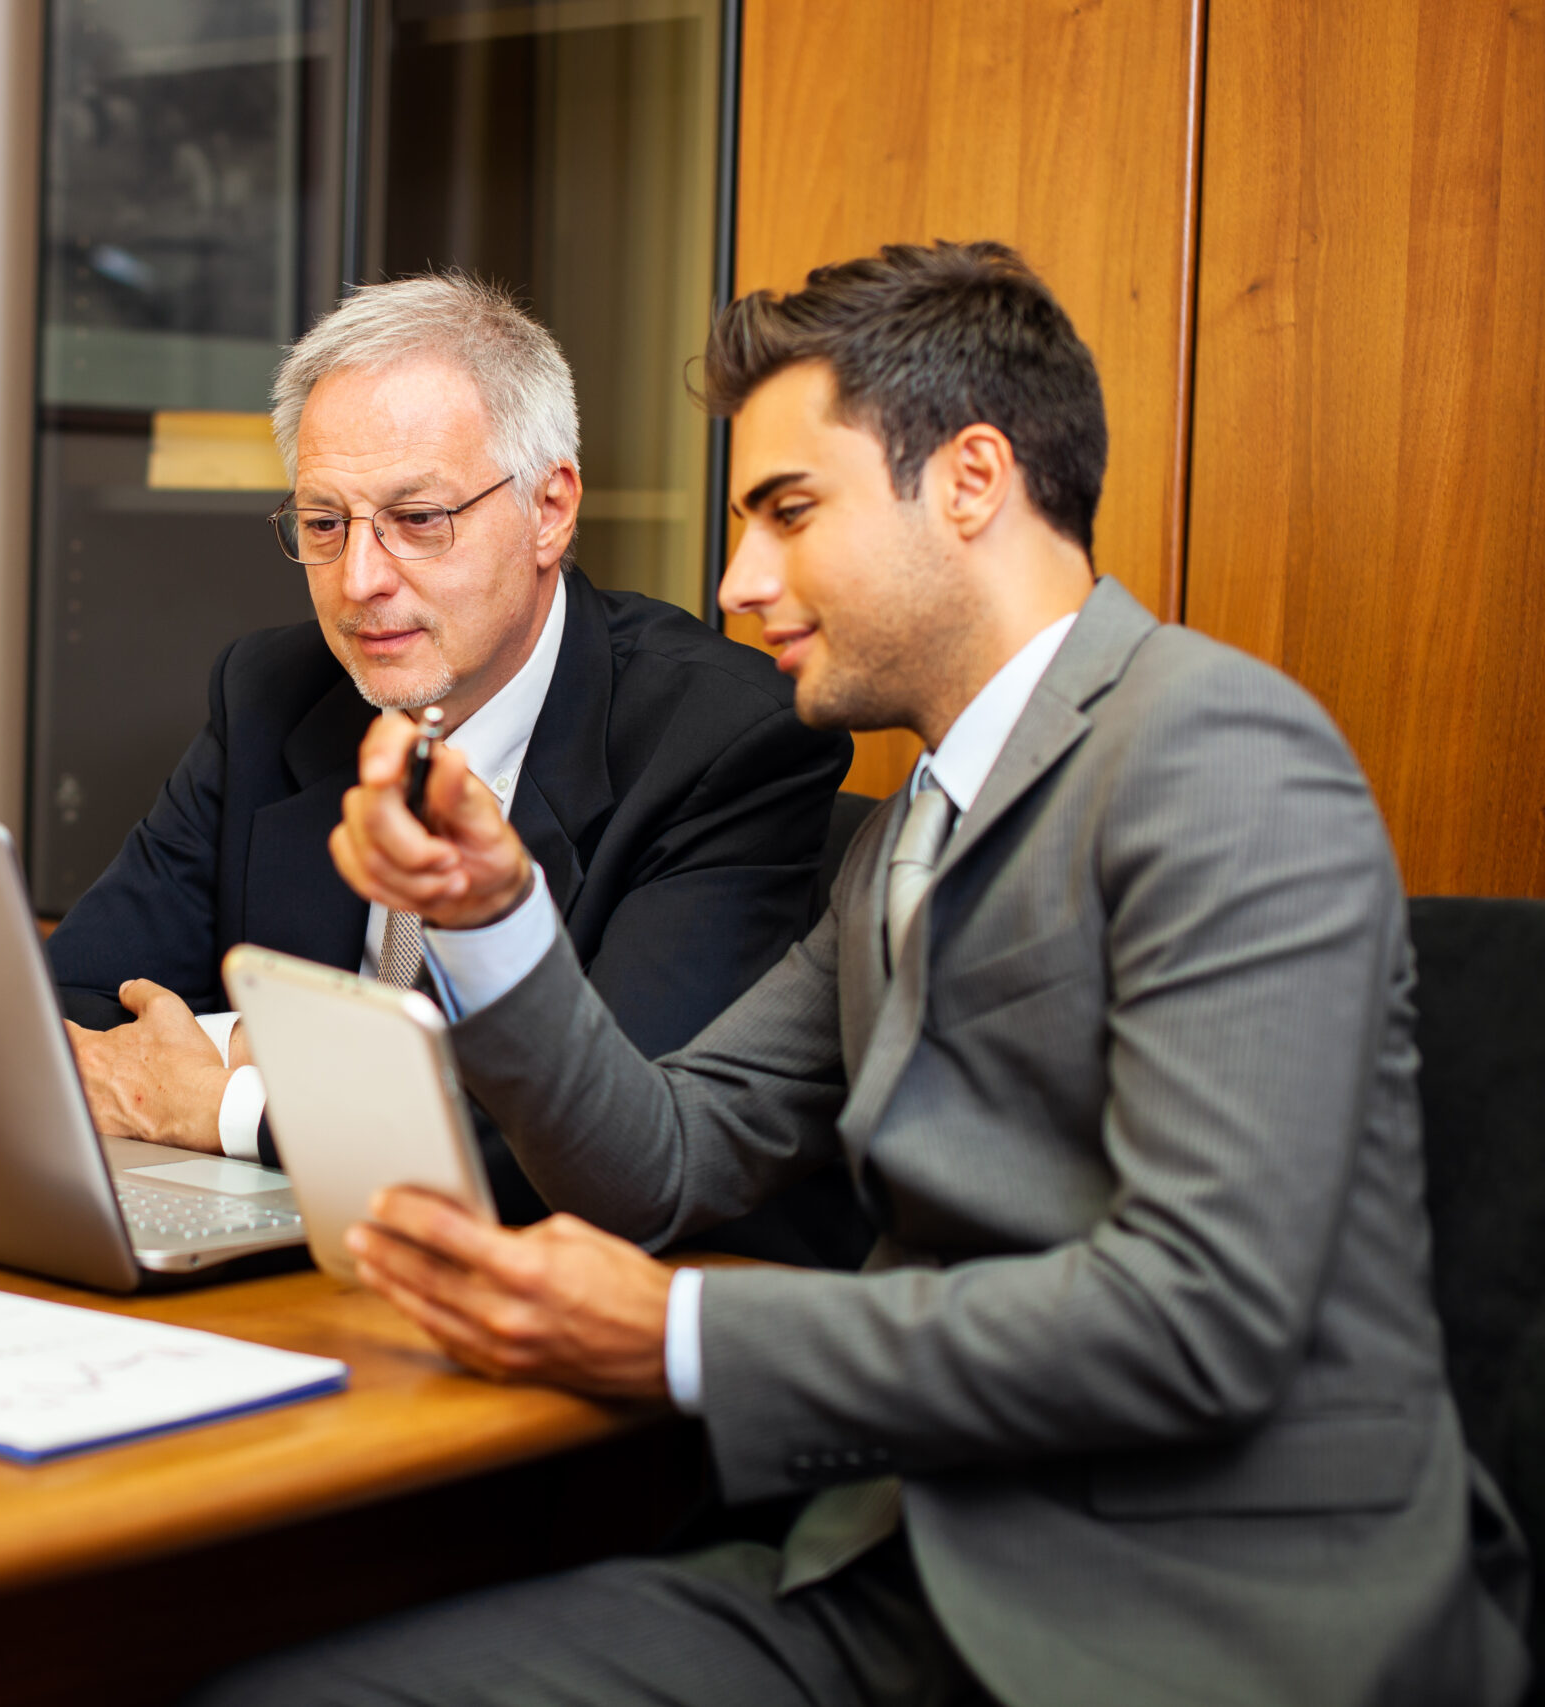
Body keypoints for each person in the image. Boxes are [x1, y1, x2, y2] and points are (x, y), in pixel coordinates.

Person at [203, 243, 1532, 1705]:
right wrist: (494, 915)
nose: (737, 580)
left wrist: (682, 1332)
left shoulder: (1215, 753)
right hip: (902, 1564)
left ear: (969, 480)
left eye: (788, 510)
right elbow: (660, 1157)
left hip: (1200, 1626)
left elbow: (1197, 1311)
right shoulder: (910, 829)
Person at [51, 273, 864, 1260]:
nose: (359, 582)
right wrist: (333, 1070)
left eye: (419, 519)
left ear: (549, 508)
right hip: (287, 1266)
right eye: (322, 524)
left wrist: (235, 1098)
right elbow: (76, 1011)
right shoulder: (274, 691)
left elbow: (593, 1147)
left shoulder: (720, 740)